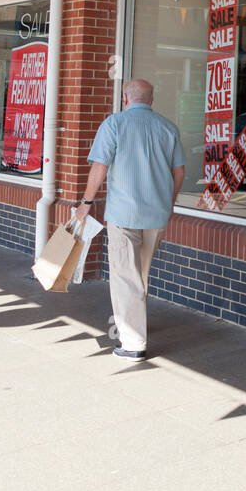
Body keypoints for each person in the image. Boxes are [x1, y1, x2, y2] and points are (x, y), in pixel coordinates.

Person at [75, 78, 185, 361]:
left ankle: (133, 343)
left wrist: (86, 203)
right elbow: (179, 172)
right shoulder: (167, 127)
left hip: (123, 214)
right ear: (151, 100)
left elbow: (100, 167)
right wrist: (168, 203)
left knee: (125, 276)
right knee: (141, 273)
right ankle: (137, 325)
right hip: (156, 215)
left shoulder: (114, 124)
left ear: (126, 98)